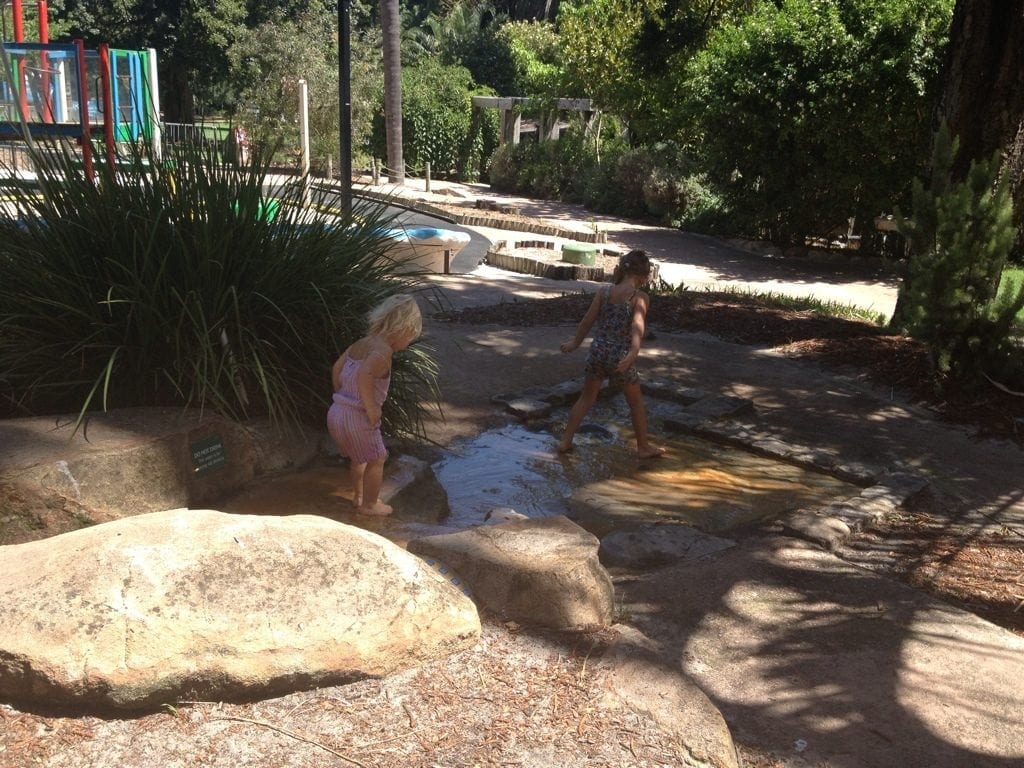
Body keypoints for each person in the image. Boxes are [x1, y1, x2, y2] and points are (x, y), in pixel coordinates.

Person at [558, 249, 665, 459]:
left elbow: (588, 320)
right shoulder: (639, 297)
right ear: (643, 276)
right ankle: (643, 447)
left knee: (586, 398)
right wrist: (633, 352)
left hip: (597, 352)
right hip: (619, 357)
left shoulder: (604, 292)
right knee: (635, 403)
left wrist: (575, 343)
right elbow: (637, 326)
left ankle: (565, 441)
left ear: (622, 270)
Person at [327, 294, 422, 516]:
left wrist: (341, 396)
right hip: (358, 417)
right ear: (402, 329)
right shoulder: (382, 351)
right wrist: (371, 408)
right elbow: (365, 373)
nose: (408, 344)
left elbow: (336, 369)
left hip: (337, 412)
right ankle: (370, 505)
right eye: (410, 337)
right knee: (377, 458)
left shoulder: (360, 343)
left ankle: (359, 496)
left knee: (359, 457)